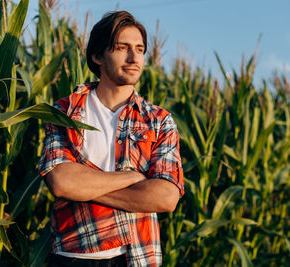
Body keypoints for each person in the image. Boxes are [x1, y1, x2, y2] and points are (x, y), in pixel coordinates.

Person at [39, 10, 184, 267]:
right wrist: (132, 178)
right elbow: (61, 182)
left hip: (135, 257)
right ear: (97, 56)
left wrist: (83, 188)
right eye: (122, 48)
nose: (133, 57)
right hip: (73, 256)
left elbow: (166, 198)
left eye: (139, 49)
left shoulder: (159, 121)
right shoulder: (65, 112)